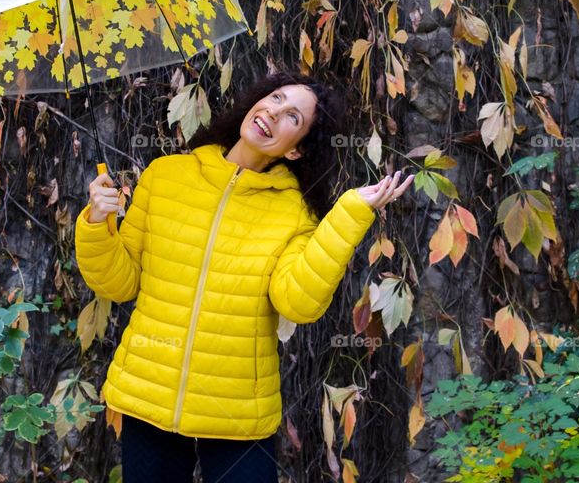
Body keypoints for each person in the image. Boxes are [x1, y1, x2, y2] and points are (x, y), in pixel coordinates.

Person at [74, 71, 415, 483]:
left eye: (292, 117)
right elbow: (118, 282)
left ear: (295, 151)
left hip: (238, 409)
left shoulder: (295, 213)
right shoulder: (166, 176)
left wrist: (347, 217)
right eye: (275, 98)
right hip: (149, 393)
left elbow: (298, 304)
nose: (273, 112)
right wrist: (96, 221)